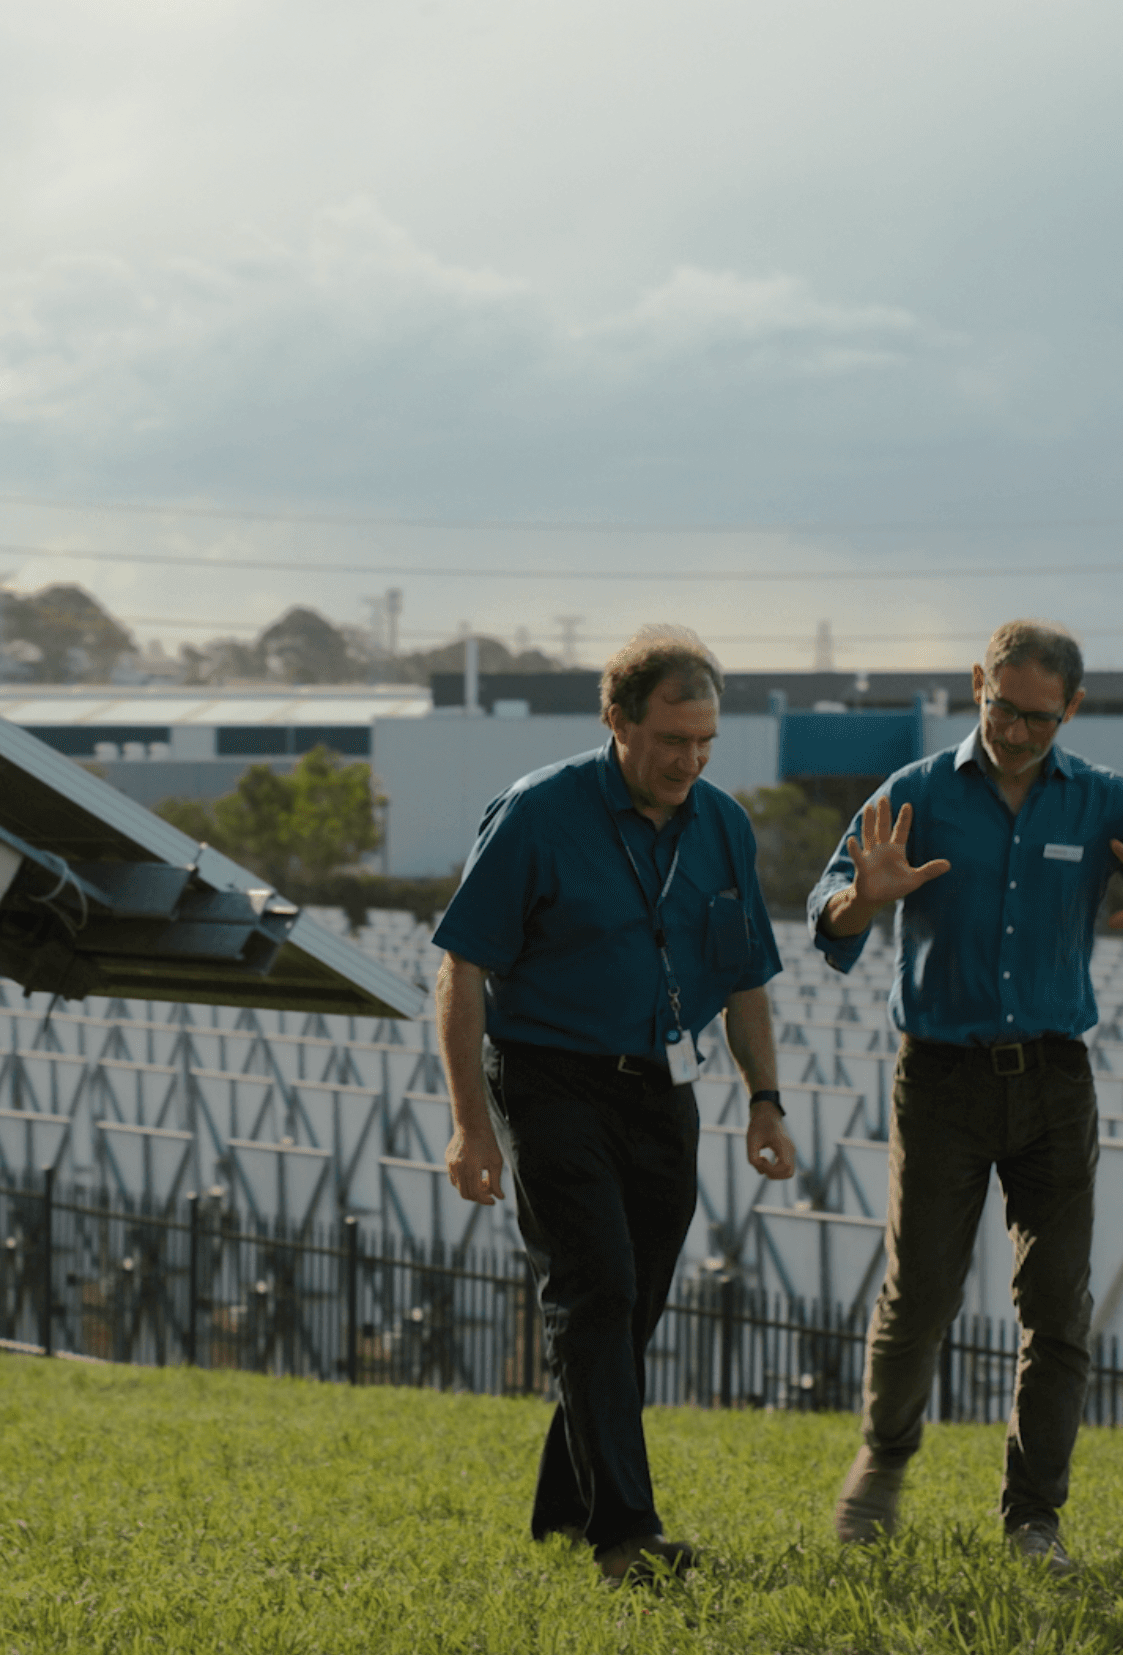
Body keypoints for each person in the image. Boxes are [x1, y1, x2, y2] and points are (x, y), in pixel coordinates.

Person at [807, 620, 1123, 1574]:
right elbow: (830, 907)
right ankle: (883, 1460)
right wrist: (861, 900)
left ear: (1071, 709)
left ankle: (1033, 1516)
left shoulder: (1102, 802)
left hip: (1053, 1082)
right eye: (1001, 708)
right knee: (920, 1291)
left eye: (1037, 718)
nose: (1014, 732)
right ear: (978, 684)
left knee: (1057, 1306)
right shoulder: (917, 792)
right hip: (940, 1078)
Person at [432, 625, 799, 1585]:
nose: (689, 761)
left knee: (630, 1309)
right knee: (595, 1291)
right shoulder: (538, 813)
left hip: (664, 1087)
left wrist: (766, 1100)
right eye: (672, 740)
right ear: (617, 720)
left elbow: (745, 978)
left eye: (705, 741)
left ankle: (565, 1508)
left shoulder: (723, 825)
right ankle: (626, 1536)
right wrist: (471, 1124)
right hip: (550, 1080)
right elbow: (463, 970)